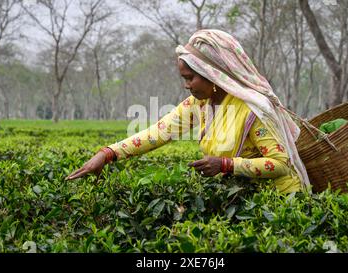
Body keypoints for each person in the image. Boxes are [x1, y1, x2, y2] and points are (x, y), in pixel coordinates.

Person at [66, 29, 310, 194]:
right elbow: (156, 134)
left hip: (281, 200)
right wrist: (107, 154)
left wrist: (225, 165)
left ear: (212, 74)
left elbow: (279, 164)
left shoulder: (251, 109)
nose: (186, 85)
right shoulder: (199, 104)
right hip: (244, 197)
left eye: (190, 78)